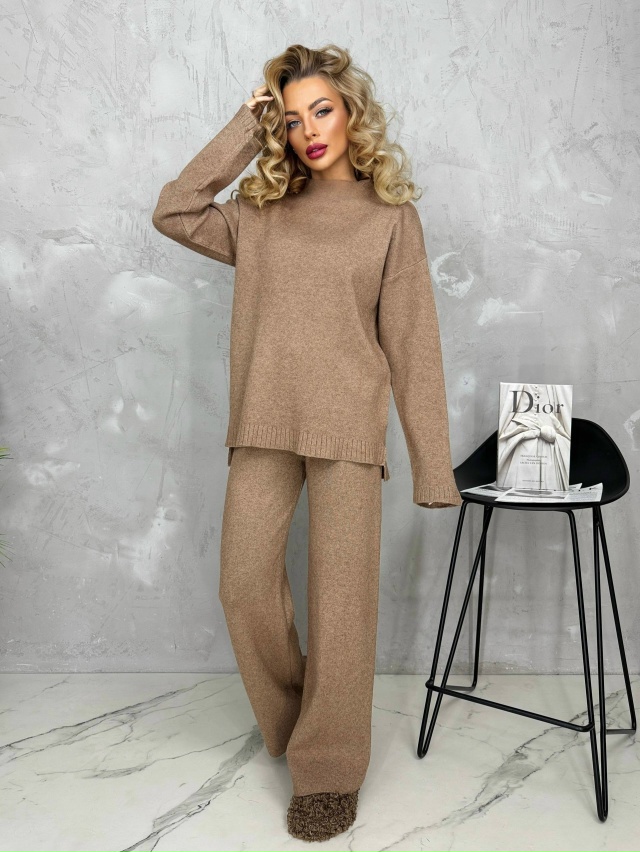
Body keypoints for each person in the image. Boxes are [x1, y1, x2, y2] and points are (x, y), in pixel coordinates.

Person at [152, 42, 462, 843]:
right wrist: (243, 124)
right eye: (291, 120)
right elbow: (175, 209)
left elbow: (414, 345)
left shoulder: (391, 218)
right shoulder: (259, 214)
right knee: (243, 587)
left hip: (350, 427)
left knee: (342, 606)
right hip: (264, 421)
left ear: (351, 111)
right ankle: (304, 729)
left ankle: (328, 772)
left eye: (322, 110)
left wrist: (433, 466)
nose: (310, 130)